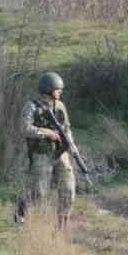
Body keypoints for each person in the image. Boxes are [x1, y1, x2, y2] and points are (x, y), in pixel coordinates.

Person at [14, 72, 76, 231]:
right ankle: (23, 210)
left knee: (69, 188)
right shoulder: (32, 106)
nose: (61, 91)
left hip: (60, 153)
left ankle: (62, 227)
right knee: (39, 193)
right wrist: (47, 132)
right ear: (48, 89)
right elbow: (24, 128)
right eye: (58, 89)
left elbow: (66, 128)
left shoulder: (60, 106)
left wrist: (71, 144)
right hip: (41, 154)